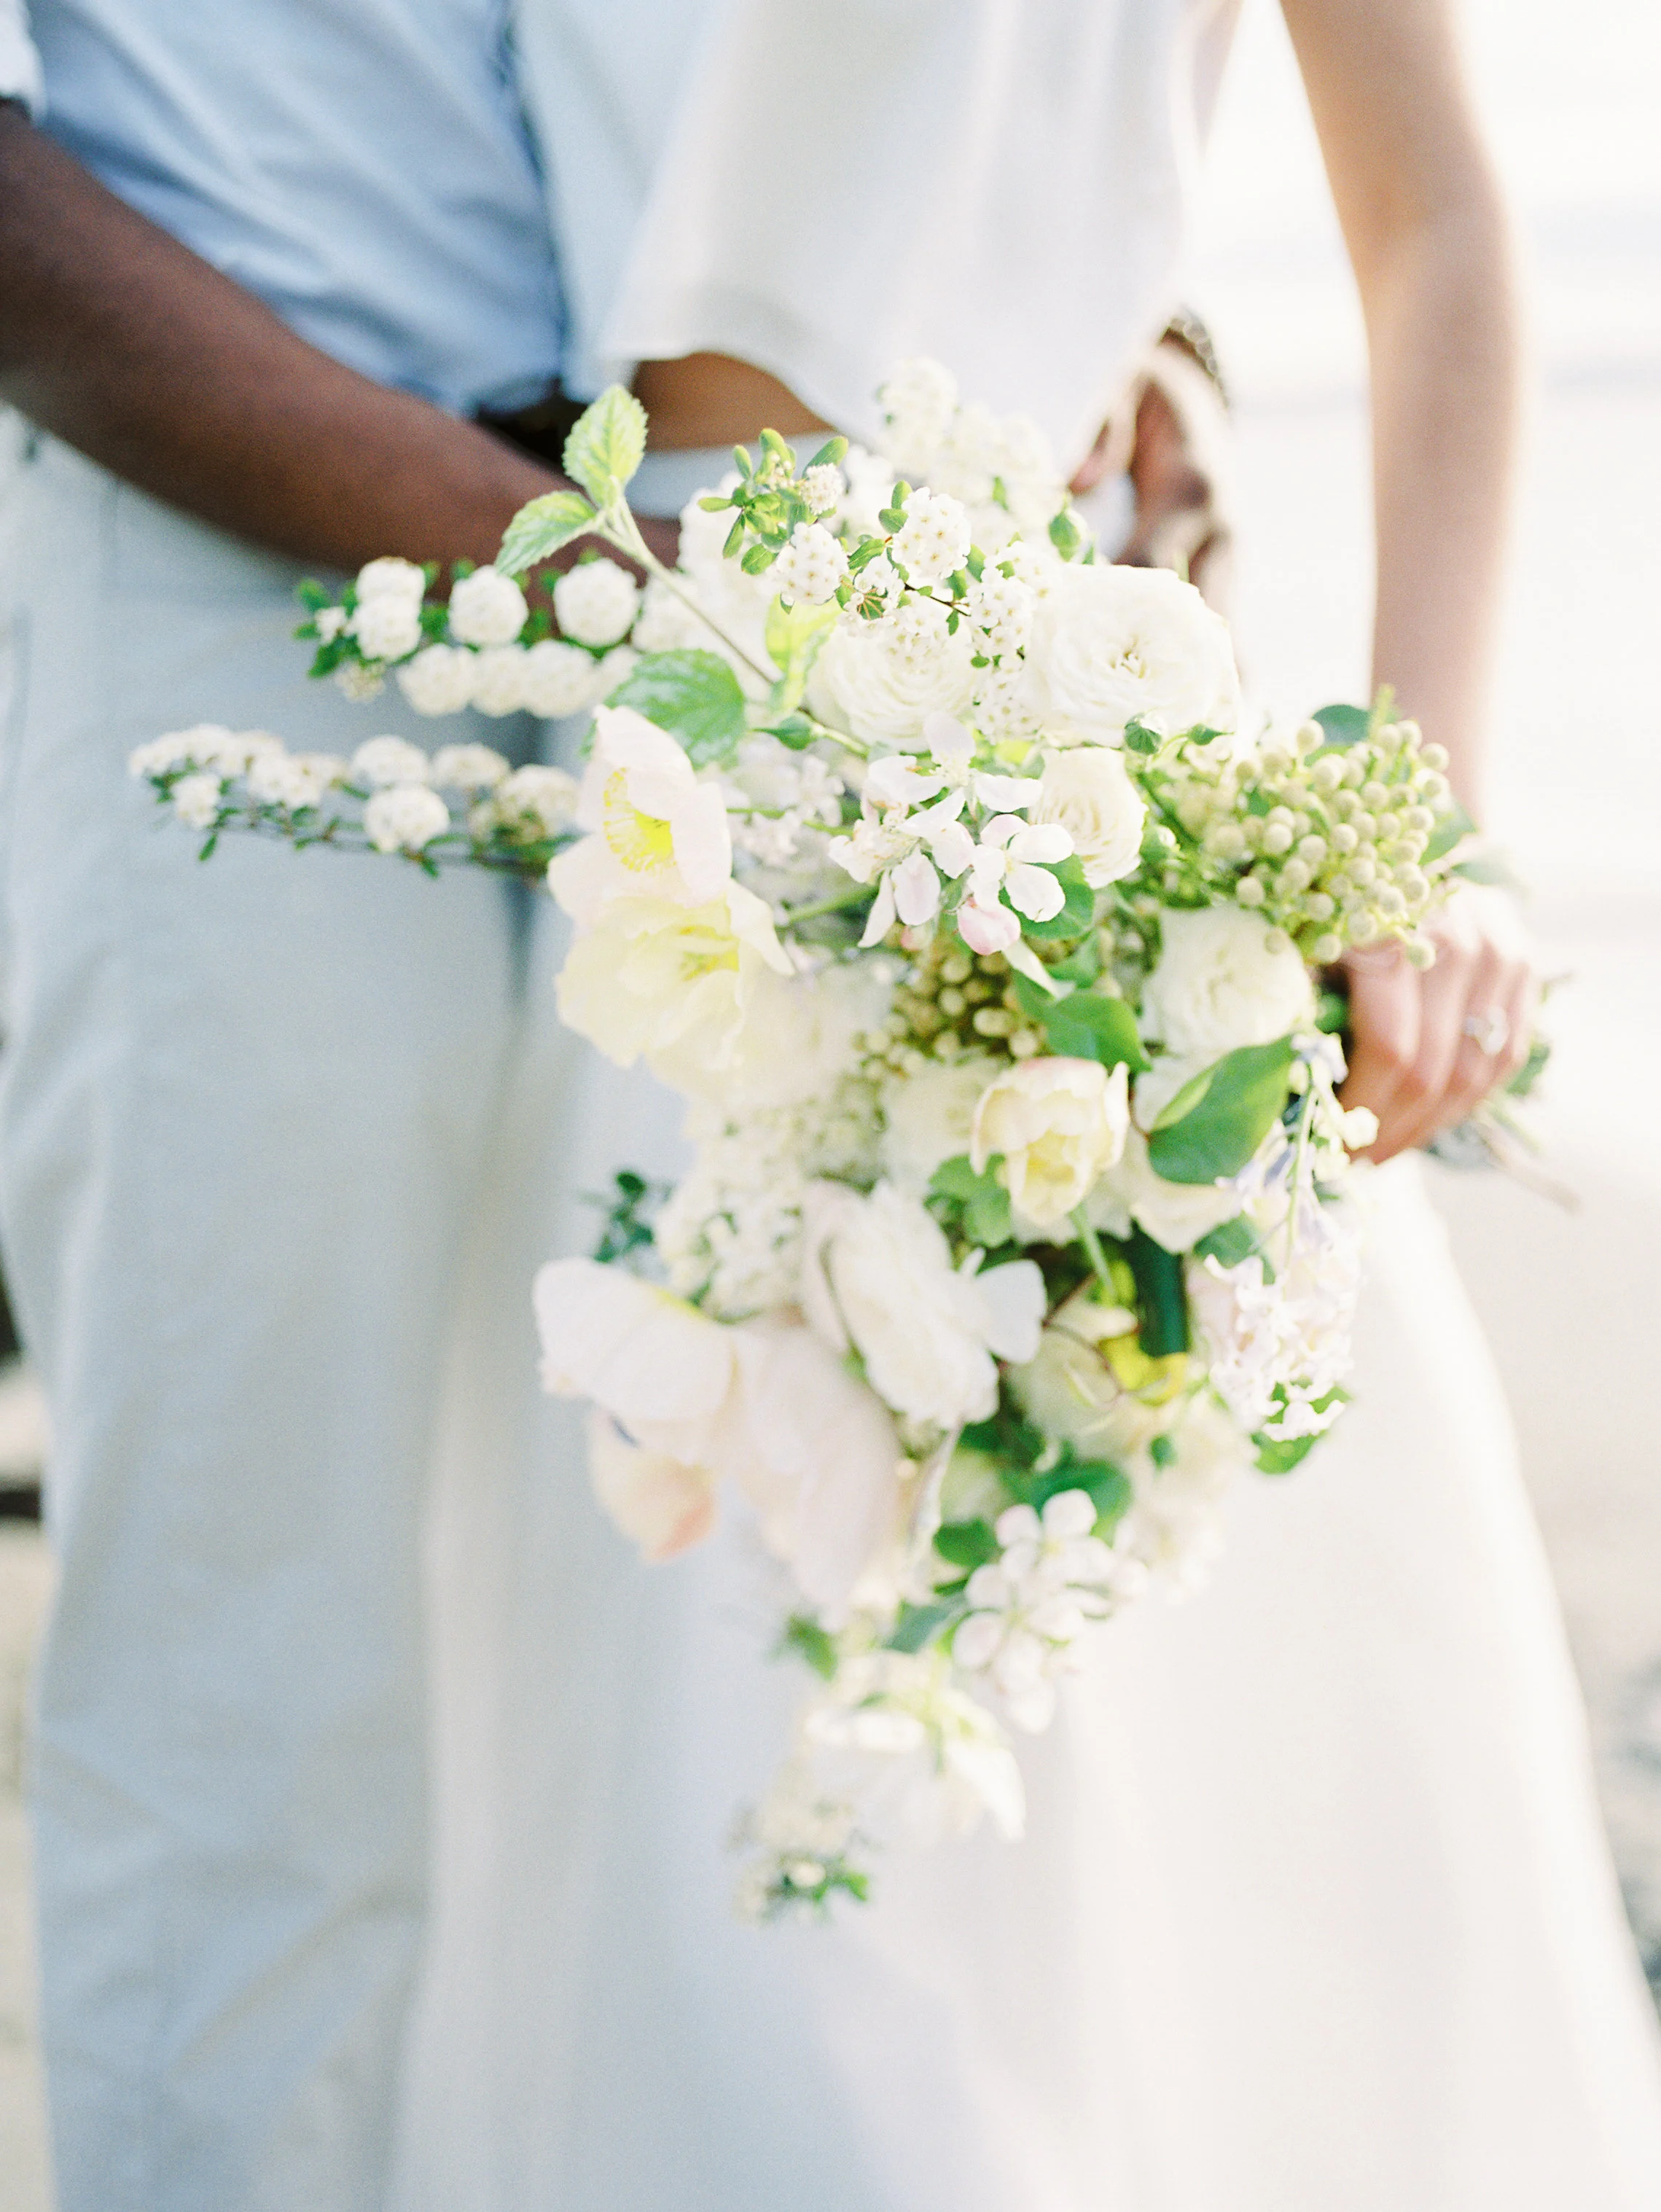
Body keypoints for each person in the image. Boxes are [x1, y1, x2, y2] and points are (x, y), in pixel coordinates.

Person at [384, 3, 1661, 2208]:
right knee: (710, 1884)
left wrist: (1410, 827)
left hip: (1079, 775)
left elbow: (1436, 219)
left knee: (1228, 1895)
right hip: (657, 787)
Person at [0, 5, 1251, 2208]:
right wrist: (610, 584)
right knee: (244, 1706)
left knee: (631, 1653)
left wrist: (1149, 365)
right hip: (232, 556)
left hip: (682, 633)